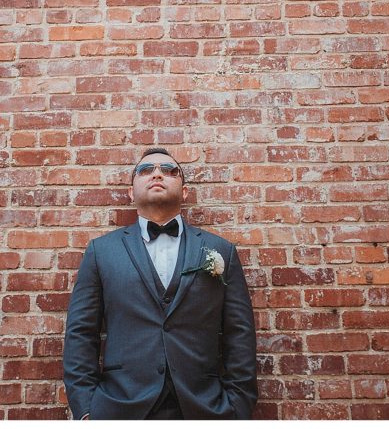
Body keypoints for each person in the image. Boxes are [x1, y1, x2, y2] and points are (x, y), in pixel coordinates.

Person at [63, 147, 257, 419]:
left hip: (205, 407)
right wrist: (86, 409)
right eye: (145, 170)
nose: (157, 174)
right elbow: (81, 333)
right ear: (131, 192)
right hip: (119, 407)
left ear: (185, 191)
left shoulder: (220, 250)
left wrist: (238, 408)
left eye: (168, 170)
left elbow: (240, 333)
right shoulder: (101, 251)